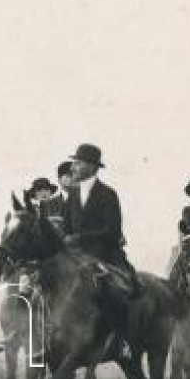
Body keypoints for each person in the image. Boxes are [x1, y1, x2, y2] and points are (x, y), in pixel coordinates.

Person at [60, 143, 138, 358]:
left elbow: (113, 231)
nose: (73, 167)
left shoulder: (108, 194)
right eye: (73, 163)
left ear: (92, 167)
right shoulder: (72, 195)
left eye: (78, 163)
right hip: (76, 256)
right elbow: (65, 228)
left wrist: (78, 238)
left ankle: (121, 341)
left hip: (104, 253)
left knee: (115, 289)